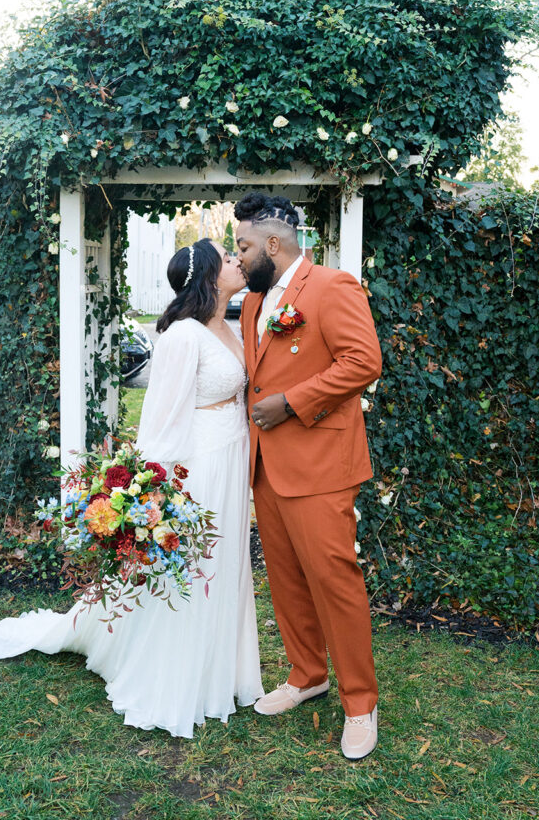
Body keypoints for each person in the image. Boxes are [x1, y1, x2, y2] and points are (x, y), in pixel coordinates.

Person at [0, 238, 264, 738]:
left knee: (225, 565)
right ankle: (175, 676)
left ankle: (223, 669)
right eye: (227, 257)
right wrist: (152, 491)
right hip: (200, 465)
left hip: (232, 454)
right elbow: (160, 418)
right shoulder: (184, 335)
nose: (237, 261)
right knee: (196, 566)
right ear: (208, 275)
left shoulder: (232, 324)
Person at [234, 192, 382, 762]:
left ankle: (360, 703)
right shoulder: (253, 302)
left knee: (334, 581)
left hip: (320, 465)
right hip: (266, 467)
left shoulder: (332, 286)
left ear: (273, 243)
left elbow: (363, 361)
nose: (238, 255)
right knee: (286, 578)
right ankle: (307, 674)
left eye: (244, 245)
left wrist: (293, 402)